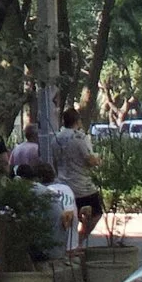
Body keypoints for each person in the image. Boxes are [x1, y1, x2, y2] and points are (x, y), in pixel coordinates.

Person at [46, 101, 104, 238]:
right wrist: (99, 160)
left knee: (69, 215)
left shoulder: (56, 139)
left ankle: (69, 242)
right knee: (96, 213)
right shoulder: (80, 138)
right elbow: (89, 159)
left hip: (63, 184)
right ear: (78, 121)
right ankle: (81, 238)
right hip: (82, 186)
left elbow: (54, 162)